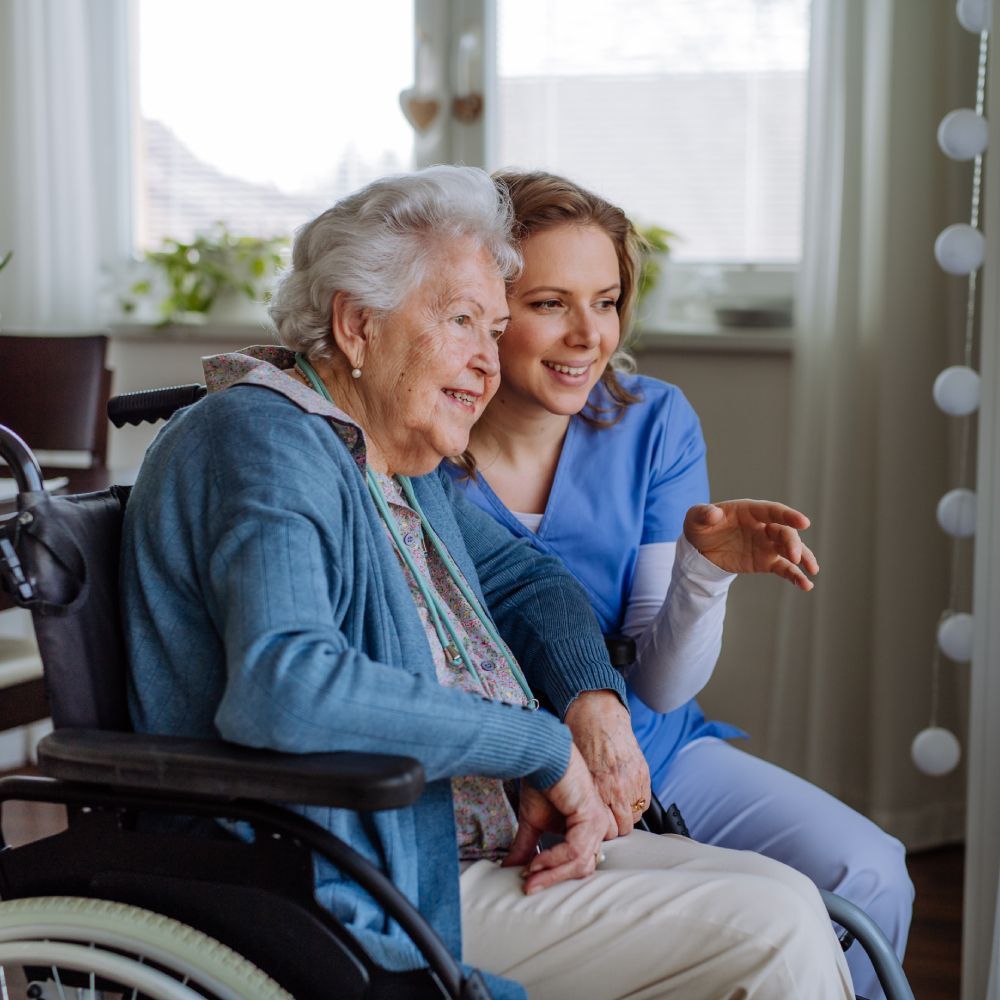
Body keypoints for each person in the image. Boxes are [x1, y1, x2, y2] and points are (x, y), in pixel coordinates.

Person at [121, 165, 854, 999]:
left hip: (462, 847)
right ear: (358, 325)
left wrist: (590, 700)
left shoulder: (392, 457)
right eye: (464, 321)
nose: (487, 362)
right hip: (354, 879)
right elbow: (285, 688)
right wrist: (540, 748)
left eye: (496, 325)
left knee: (790, 895)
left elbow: (527, 577)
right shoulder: (264, 440)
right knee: (771, 933)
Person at [446, 169, 913, 1000]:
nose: (589, 334)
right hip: (508, 785)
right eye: (550, 302)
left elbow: (661, 683)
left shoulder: (651, 420)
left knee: (870, 871)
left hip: (657, 750)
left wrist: (705, 572)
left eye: (608, 299)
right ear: (482, 305)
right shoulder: (425, 438)